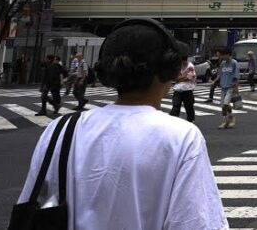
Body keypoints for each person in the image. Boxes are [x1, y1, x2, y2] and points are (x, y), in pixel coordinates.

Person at [16, 18, 226, 229]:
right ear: (167, 70)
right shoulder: (181, 137)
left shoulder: (61, 129)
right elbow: (195, 223)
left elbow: (29, 207)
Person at [215, 48, 240, 129]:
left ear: (229, 55)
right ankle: (226, 120)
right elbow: (220, 74)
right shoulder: (222, 63)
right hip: (223, 86)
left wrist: (236, 87)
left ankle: (229, 119)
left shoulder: (234, 63)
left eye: (224, 55)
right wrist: (214, 82)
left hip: (230, 87)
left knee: (225, 104)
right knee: (223, 106)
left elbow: (236, 76)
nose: (223, 57)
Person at [169, 57, 197, 122]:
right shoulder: (177, 66)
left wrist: (179, 79)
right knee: (175, 106)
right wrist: (184, 77)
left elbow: (190, 77)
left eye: (184, 62)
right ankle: (173, 121)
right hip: (177, 90)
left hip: (187, 90)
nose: (183, 63)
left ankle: (191, 120)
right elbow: (174, 78)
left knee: (189, 107)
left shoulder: (190, 66)